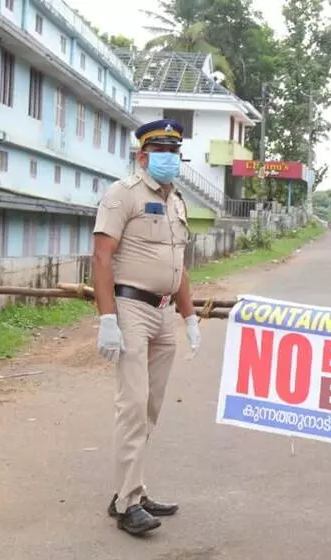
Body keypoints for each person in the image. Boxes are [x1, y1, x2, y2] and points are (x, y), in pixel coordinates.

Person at [91, 118, 202, 536]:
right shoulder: (122, 196)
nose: (170, 160)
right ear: (142, 156)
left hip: (164, 313)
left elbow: (180, 266)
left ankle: (130, 489)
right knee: (133, 405)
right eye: (162, 153)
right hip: (131, 309)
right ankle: (128, 503)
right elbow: (102, 257)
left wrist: (189, 317)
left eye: (175, 154)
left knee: (151, 407)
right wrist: (107, 319)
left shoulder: (177, 203)